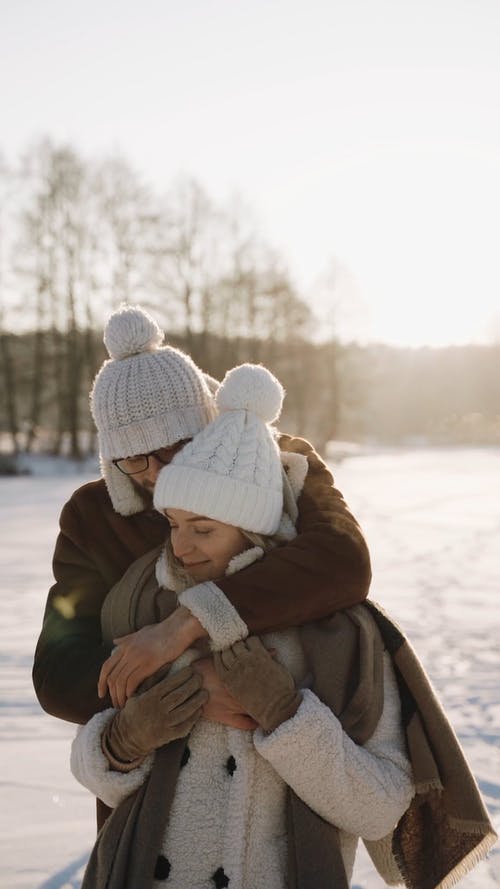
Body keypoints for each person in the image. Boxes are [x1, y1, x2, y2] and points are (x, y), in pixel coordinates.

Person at [71, 362, 497, 889]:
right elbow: (93, 755)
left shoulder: (340, 635)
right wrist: (124, 738)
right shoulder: (141, 606)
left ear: (254, 524)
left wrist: (286, 715)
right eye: (174, 523)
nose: (179, 545)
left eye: (203, 527)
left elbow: (381, 808)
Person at [32, 303, 372, 736]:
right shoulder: (92, 518)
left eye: (174, 446)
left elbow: (343, 561)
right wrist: (189, 685)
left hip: (290, 747)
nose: (156, 473)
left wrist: (189, 622)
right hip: (151, 778)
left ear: (207, 422)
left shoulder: (282, 464)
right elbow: (58, 674)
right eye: (134, 458)